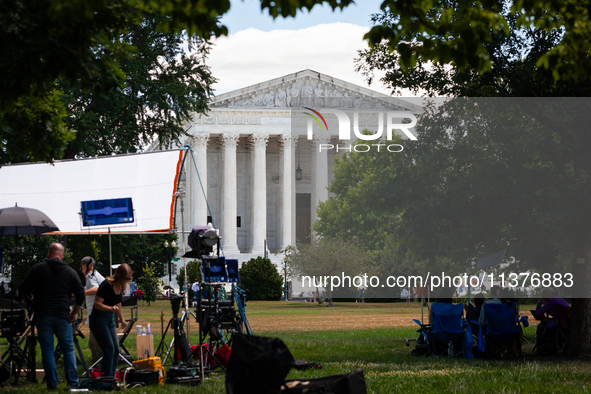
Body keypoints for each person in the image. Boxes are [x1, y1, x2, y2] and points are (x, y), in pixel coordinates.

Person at [19, 243, 85, 390]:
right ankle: (73, 384)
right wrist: (74, 312)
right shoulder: (70, 272)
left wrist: (33, 301)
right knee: (68, 349)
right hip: (63, 315)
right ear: (61, 256)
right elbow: (81, 295)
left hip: (43, 315)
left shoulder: (38, 269)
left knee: (47, 351)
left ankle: (52, 385)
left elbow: (23, 288)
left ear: (49, 254)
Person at [90, 264, 130, 377]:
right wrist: (110, 308)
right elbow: (97, 304)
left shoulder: (120, 286)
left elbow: (118, 302)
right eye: (127, 279)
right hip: (98, 319)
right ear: (120, 276)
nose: (128, 281)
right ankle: (106, 378)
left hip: (109, 319)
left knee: (116, 349)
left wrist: (121, 318)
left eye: (129, 279)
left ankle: (112, 377)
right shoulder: (106, 285)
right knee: (109, 349)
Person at [81, 256, 105, 368]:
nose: (82, 270)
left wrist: (82, 293)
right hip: (98, 313)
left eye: (83, 267)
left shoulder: (91, 275)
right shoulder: (96, 275)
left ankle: (98, 367)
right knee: (94, 341)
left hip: (98, 315)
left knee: (95, 343)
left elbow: (96, 290)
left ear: (90, 266)